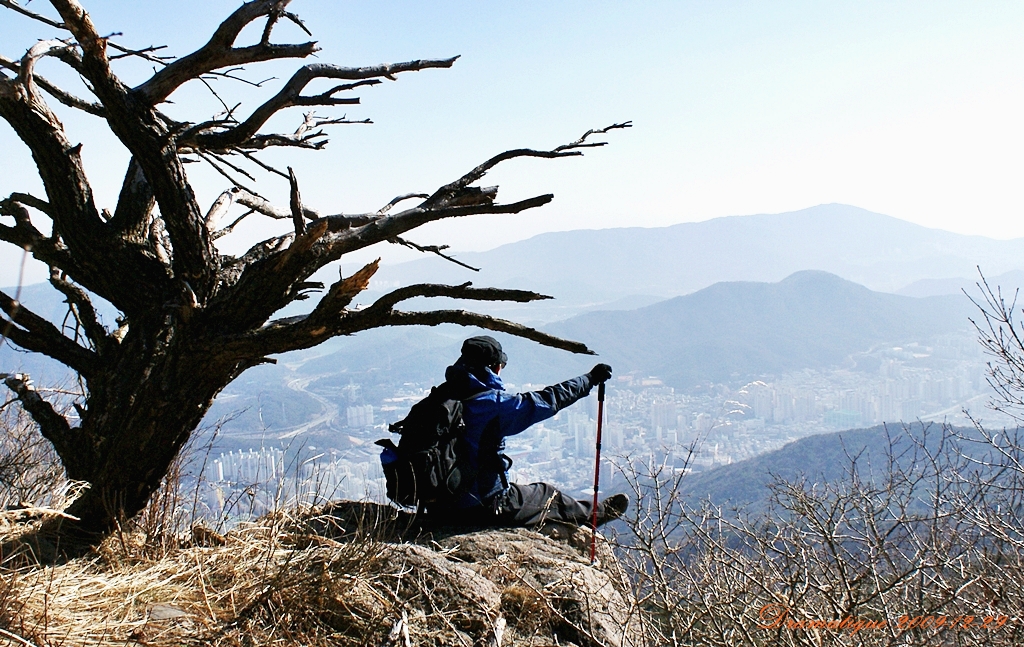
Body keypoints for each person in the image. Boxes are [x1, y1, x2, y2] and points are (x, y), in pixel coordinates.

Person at [423, 335, 628, 528]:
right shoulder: (492, 405)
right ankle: (599, 514)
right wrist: (589, 379)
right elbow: (548, 401)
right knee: (547, 495)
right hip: (482, 506)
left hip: (438, 506)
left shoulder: (440, 398)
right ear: (494, 368)